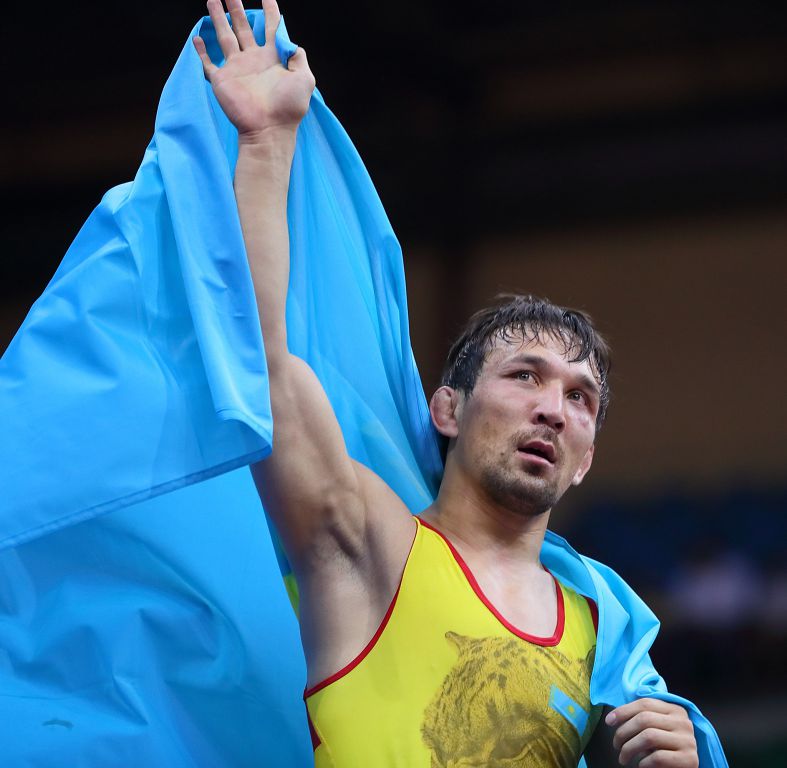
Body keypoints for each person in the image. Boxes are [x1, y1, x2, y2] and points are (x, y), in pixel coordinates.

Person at [193, 1, 702, 765]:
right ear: (448, 408)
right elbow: (262, 368)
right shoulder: (369, 543)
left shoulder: (606, 636)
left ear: (587, 458)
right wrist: (266, 143)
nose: (552, 410)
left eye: (579, 398)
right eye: (524, 376)